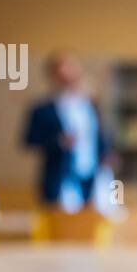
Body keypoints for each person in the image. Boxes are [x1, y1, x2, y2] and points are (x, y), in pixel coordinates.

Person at [22, 50, 110, 206]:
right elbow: (29, 140)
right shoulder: (43, 108)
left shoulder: (88, 104)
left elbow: (97, 134)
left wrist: (106, 153)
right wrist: (59, 141)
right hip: (59, 177)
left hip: (90, 175)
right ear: (53, 76)